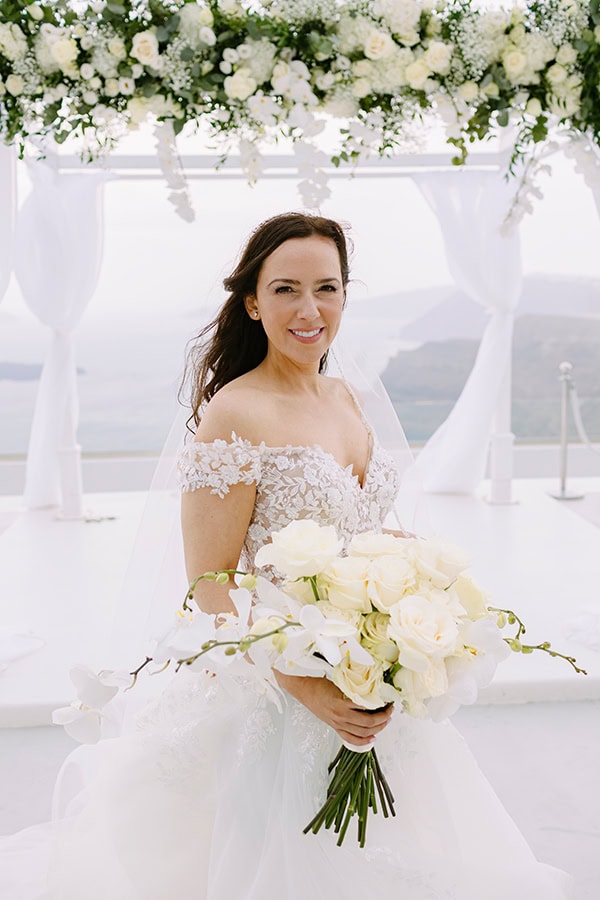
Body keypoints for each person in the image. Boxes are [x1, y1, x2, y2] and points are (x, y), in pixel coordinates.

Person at [0, 212, 572, 899]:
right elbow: (210, 583)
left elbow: (362, 533)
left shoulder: (346, 396)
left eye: (327, 288)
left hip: (364, 678)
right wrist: (302, 683)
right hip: (274, 688)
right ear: (252, 303)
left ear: (345, 295)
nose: (310, 310)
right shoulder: (235, 413)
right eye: (286, 290)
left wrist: (407, 604)